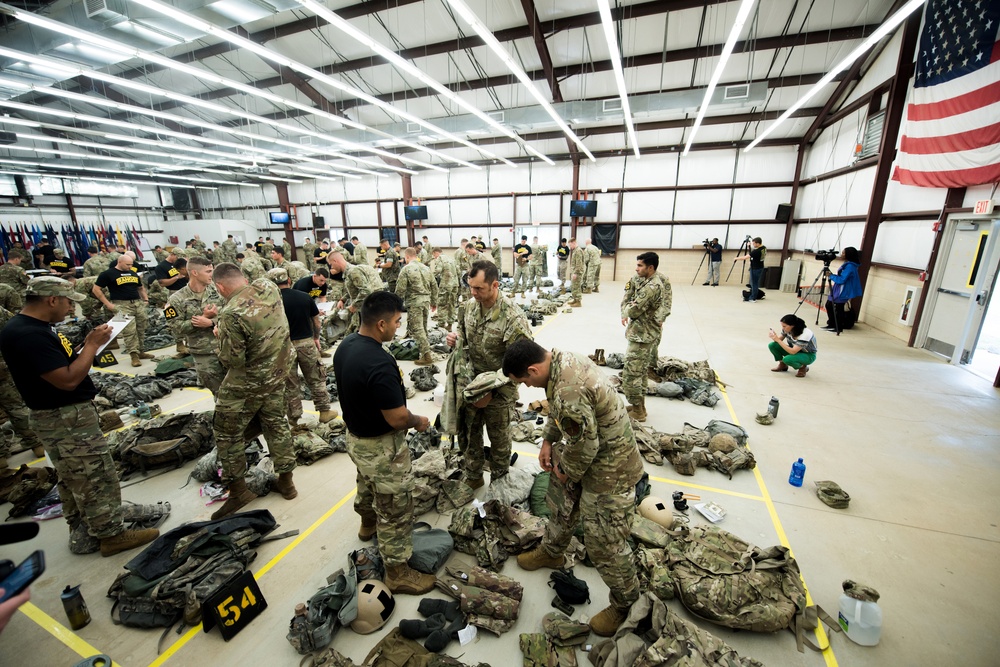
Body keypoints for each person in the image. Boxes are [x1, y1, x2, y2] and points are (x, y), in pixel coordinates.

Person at [0, 277, 159, 556]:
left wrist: (89, 344)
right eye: (68, 301)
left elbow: (60, 362)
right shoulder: (29, 335)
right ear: (52, 300)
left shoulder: (30, 328)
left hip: (60, 415)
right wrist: (91, 346)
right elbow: (68, 380)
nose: (71, 307)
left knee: (72, 475)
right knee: (95, 474)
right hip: (64, 417)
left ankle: (83, 526)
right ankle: (111, 535)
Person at [504, 339, 644, 637]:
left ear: (532, 368)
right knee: (562, 505)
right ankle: (552, 551)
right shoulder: (558, 361)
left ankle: (626, 605)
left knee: (605, 544)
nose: (527, 388)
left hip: (611, 470)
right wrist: (548, 440)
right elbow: (560, 410)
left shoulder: (569, 388)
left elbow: (587, 443)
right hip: (589, 454)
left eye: (525, 381)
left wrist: (566, 470)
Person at [333, 291, 436, 595]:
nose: (398, 327)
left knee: (366, 483)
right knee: (395, 507)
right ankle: (397, 571)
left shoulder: (347, 345)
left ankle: (367, 524)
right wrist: (419, 420)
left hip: (356, 438)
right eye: (396, 322)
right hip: (382, 446)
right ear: (380, 324)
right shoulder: (379, 362)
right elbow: (397, 417)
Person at [209, 263, 298, 519]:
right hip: (278, 372)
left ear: (219, 287)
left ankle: (239, 492)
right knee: (276, 423)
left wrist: (219, 337)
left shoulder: (230, 314)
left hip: (247, 382)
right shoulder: (268, 287)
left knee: (227, 434)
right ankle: (287, 481)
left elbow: (231, 360)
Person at [446, 261, 533, 488]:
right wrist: (455, 341)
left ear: (495, 285)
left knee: (500, 440)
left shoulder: (513, 317)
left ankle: (499, 482)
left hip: (500, 391)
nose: (473, 293)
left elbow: (520, 364)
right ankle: (474, 477)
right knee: (470, 436)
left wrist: (491, 392)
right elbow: (464, 343)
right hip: (472, 386)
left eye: (479, 289)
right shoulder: (467, 308)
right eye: (470, 287)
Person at [268, 268, 338, 426]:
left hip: (284, 347)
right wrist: (316, 338)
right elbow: (317, 321)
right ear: (289, 281)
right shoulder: (304, 297)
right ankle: (324, 412)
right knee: (316, 378)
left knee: (290, 383)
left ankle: (294, 418)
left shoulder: (270, 302)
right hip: (306, 343)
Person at [165, 257, 226, 395]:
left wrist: (211, 322)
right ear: (195, 273)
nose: (212, 274)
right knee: (219, 394)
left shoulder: (218, 291)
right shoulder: (175, 299)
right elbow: (174, 327)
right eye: (208, 271)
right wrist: (200, 320)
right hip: (204, 353)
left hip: (227, 348)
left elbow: (233, 313)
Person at [620, 252, 665, 422]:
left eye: (640, 265)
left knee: (631, 374)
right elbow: (630, 300)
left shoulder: (651, 287)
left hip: (642, 336)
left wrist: (629, 308)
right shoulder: (647, 282)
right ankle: (639, 407)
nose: (636, 268)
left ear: (650, 267)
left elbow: (633, 309)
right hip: (642, 333)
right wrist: (630, 305)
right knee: (640, 373)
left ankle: (638, 411)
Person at [93, 253, 153, 368]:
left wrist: (145, 299)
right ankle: (133, 355)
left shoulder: (132, 273)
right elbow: (96, 289)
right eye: (127, 264)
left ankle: (140, 351)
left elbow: (140, 288)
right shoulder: (108, 274)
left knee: (141, 327)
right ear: (119, 262)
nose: (130, 267)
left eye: (131, 264)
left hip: (137, 303)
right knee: (129, 330)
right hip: (121, 304)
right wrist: (108, 304)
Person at [395, 247, 438, 366]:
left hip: (415, 302)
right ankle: (424, 350)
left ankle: (426, 355)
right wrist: (434, 302)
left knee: (417, 329)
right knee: (423, 327)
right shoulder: (426, 268)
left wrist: (396, 306)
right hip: (426, 301)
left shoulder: (406, 269)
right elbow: (434, 285)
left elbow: (400, 290)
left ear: (407, 256)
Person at [329, 251, 383, 335]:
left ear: (336, 261)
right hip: (362, 307)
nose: (332, 267)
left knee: (363, 334)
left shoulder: (353, 271)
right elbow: (353, 289)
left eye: (331, 264)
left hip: (368, 307)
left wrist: (354, 305)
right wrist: (343, 300)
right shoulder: (348, 272)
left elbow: (365, 291)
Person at [825, 247, 862, 333]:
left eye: (844, 253)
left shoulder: (850, 266)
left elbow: (842, 279)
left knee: (839, 307)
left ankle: (838, 327)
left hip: (843, 289)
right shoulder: (847, 264)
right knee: (829, 305)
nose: (842, 254)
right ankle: (831, 324)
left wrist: (831, 276)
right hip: (837, 288)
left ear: (849, 255)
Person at [431, 247, 459, 331]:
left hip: (446, 285)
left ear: (436, 253)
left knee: (442, 304)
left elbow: (438, 270)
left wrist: (431, 276)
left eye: (434, 255)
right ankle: (450, 325)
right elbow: (458, 270)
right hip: (455, 284)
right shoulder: (451, 258)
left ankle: (441, 325)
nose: (434, 257)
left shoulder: (440, 258)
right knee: (452, 304)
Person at [734, 237, 766, 302]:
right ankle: (754, 295)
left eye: (754, 243)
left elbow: (745, 257)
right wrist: (749, 246)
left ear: (757, 243)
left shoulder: (756, 251)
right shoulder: (763, 248)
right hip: (760, 267)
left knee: (754, 283)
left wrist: (736, 258)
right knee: (755, 283)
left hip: (755, 268)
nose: (753, 245)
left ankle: (753, 298)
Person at [567, 238, 585, 307]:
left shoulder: (578, 251)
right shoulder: (575, 250)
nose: (570, 247)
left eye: (570, 245)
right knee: (574, 286)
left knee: (577, 286)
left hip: (577, 272)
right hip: (575, 271)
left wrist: (575, 273)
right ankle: (575, 299)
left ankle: (578, 302)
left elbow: (579, 264)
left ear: (574, 242)